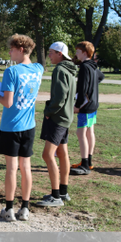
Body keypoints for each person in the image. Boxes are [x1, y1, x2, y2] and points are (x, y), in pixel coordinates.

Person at [0, 33, 44, 222]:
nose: (9, 52)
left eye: (12, 49)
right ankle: (26, 208)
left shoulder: (11, 72)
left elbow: (8, 102)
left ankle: (9, 208)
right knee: (26, 167)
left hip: (11, 126)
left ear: (21, 50)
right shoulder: (38, 68)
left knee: (12, 168)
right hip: (29, 125)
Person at [37, 40, 78, 208]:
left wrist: (48, 112)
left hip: (58, 118)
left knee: (48, 155)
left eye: (51, 52)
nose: (49, 56)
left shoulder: (60, 70)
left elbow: (60, 98)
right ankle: (63, 191)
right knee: (62, 153)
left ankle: (55, 196)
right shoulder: (70, 69)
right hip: (66, 117)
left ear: (60, 54)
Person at [70, 41, 102, 176]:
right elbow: (101, 76)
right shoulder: (93, 66)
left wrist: (77, 106)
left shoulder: (84, 67)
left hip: (86, 106)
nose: (76, 53)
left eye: (78, 51)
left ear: (84, 53)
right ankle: (89, 161)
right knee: (90, 132)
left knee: (80, 133)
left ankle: (84, 165)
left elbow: (83, 90)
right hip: (93, 105)